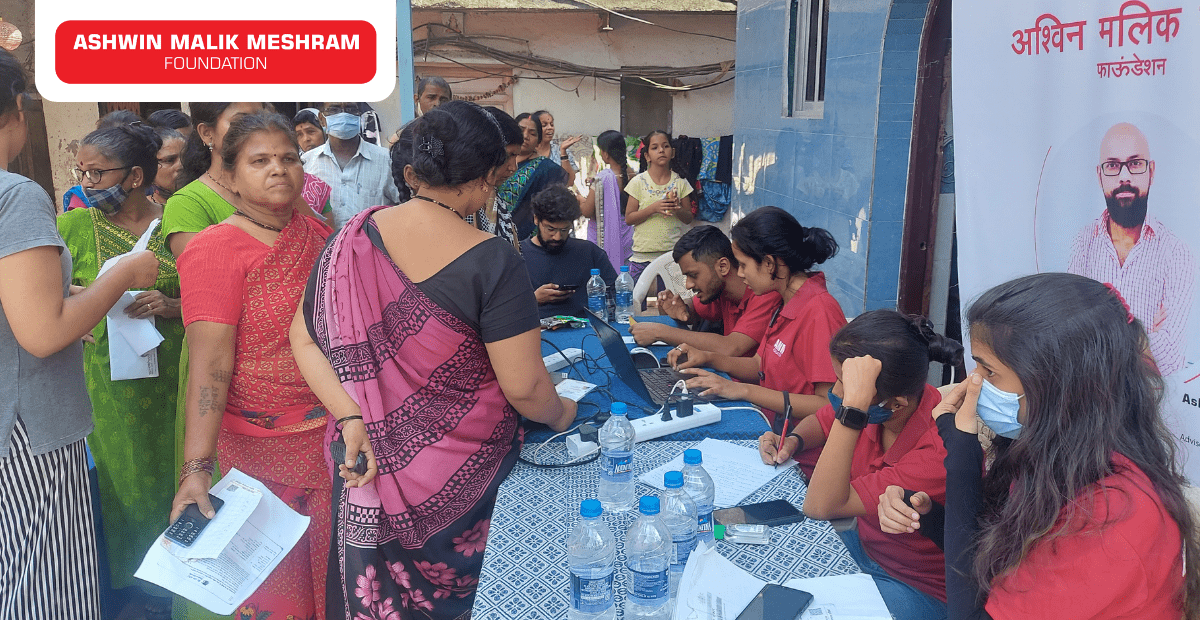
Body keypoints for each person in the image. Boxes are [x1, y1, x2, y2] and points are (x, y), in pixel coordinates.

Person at [292, 100, 575, 619]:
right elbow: (527, 390)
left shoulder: (349, 240)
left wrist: (352, 416)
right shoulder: (493, 259)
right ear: (488, 177)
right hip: (463, 483)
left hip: (363, 463)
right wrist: (566, 414)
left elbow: (304, 341)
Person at [878, 273, 1199, 620]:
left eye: (989, 370)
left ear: (1056, 383)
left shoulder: (1111, 517)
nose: (975, 383)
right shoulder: (1054, 456)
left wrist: (961, 461)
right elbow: (995, 563)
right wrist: (930, 517)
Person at [0, 48, 159, 619]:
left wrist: (63, 296)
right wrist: (118, 278)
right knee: (41, 583)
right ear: (17, 110)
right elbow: (43, 335)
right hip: (28, 427)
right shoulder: (16, 195)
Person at [171, 111, 333, 619]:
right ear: (231, 174)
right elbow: (210, 368)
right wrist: (195, 470)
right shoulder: (214, 249)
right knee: (275, 595)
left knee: (337, 585)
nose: (278, 169)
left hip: (333, 440)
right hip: (259, 454)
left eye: (288, 158)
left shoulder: (321, 236)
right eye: (259, 160)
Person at [56, 123, 184, 619]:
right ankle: (134, 586)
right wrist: (77, 307)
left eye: (97, 172)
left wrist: (172, 305)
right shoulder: (69, 229)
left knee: (182, 469)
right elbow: (45, 297)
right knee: (122, 480)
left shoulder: (178, 223)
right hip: (106, 385)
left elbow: (214, 291)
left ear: (134, 175)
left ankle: (184, 575)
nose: (86, 182)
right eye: (81, 171)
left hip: (176, 373)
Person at [759, 311, 961, 619]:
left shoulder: (938, 452)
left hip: (915, 586)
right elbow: (823, 421)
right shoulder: (878, 407)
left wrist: (852, 408)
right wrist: (794, 441)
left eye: (845, 385)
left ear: (895, 405)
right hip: (862, 549)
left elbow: (820, 506)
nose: (836, 394)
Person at [673, 207, 844, 474]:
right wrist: (708, 358)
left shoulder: (818, 310)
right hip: (772, 438)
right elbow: (759, 364)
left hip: (806, 458)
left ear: (769, 263)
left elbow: (829, 404)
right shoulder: (784, 300)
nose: (739, 274)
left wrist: (741, 390)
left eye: (742, 265)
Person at [1066, 122, 1195, 376]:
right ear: (1099, 175)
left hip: (1151, 405)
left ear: (1151, 171)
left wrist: (1101, 335)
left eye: (1135, 164)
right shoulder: (1083, 242)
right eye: (1113, 165)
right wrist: (1146, 336)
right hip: (1091, 397)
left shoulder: (1177, 252)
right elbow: (1072, 337)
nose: (1124, 177)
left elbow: (1169, 358)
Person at [629, 225, 780, 356]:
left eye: (693, 275)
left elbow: (731, 347)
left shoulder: (765, 294)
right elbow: (695, 308)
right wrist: (682, 308)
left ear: (723, 266)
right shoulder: (722, 292)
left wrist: (659, 332)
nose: (688, 285)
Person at [302, 101, 400, 230]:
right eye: (334, 109)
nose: (343, 114)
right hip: (323, 247)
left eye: (350, 108)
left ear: (359, 115)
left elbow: (403, 207)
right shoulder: (307, 163)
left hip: (373, 248)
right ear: (322, 119)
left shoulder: (386, 160)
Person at [523, 185, 617, 318]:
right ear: (536, 219)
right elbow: (501, 309)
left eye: (564, 230)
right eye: (550, 229)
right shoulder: (518, 254)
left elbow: (615, 295)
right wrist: (534, 300)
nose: (557, 237)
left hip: (585, 330)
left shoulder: (589, 252)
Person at [625, 130, 694, 284]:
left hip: (671, 254)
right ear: (647, 156)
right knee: (636, 299)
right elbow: (629, 218)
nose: (661, 150)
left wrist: (678, 209)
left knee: (671, 300)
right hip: (642, 255)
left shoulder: (680, 183)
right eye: (655, 147)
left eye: (665, 146)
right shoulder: (638, 182)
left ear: (673, 152)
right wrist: (653, 208)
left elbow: (688, 218)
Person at [498, 112, 568, 240]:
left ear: (538, 141)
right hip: (492, 232)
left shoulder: (547, 169)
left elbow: (549, 209)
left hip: (526, 239)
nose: (525, 136)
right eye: (521, 130)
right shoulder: (497, 162)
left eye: (532, 133)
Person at [465, 106, 524, 252]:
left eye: (516, 157)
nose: (513, 168)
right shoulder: (465, 205)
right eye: (509, 155)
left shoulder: (493, 199)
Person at [580, 129, 634, 272]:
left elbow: (587, 211)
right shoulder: (634, 175)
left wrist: (579, 199)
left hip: (602, 239)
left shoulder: (602, 179)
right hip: (628, 237)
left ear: (605, 154)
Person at [386, 76, 453, 147]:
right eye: (431, 97)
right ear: (417, 99)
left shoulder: (457, 132)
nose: (437, 104)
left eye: (443, 100)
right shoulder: (402, 136)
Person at [532, 109, 581, 185]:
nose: (550, 128)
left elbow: (570, 182)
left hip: (556, 195)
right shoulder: (527, 151)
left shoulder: (561, 151)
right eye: (544, 125)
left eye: (551, 124)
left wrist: (563, 152)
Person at [148, 125, 185, 208]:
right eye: (169, 160)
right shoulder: (139, 213)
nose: (181, 166)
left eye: (186, 157)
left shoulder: (205, 202)